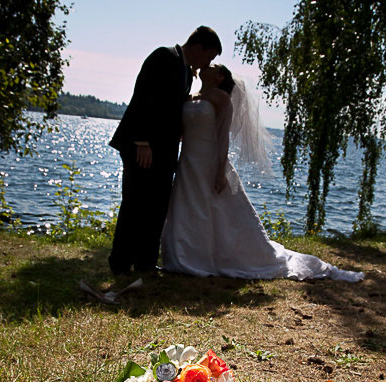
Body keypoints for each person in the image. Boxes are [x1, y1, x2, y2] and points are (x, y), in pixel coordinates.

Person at [161, 65, 364, 282]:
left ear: (220, 77)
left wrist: (220, 171)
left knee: (214, 210)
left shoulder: (220, 98)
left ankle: (208, 257)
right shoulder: (191, 95)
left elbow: (222, 138)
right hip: (188, 162)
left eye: (212, 66)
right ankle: (186, 256)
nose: (206, 66)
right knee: (187, 207)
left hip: (209, 162)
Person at [108, 26, 222, 275]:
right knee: (135, 203)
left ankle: (145, 263)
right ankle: (120, 263)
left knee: (157, 206)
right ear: (199, 48)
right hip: (143, 146)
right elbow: (144, 98)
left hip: (165, 151)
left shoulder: (187, 74)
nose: (208, 63)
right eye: (210, 56)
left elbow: (171, 110)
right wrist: (142, 142)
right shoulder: (163, 57)